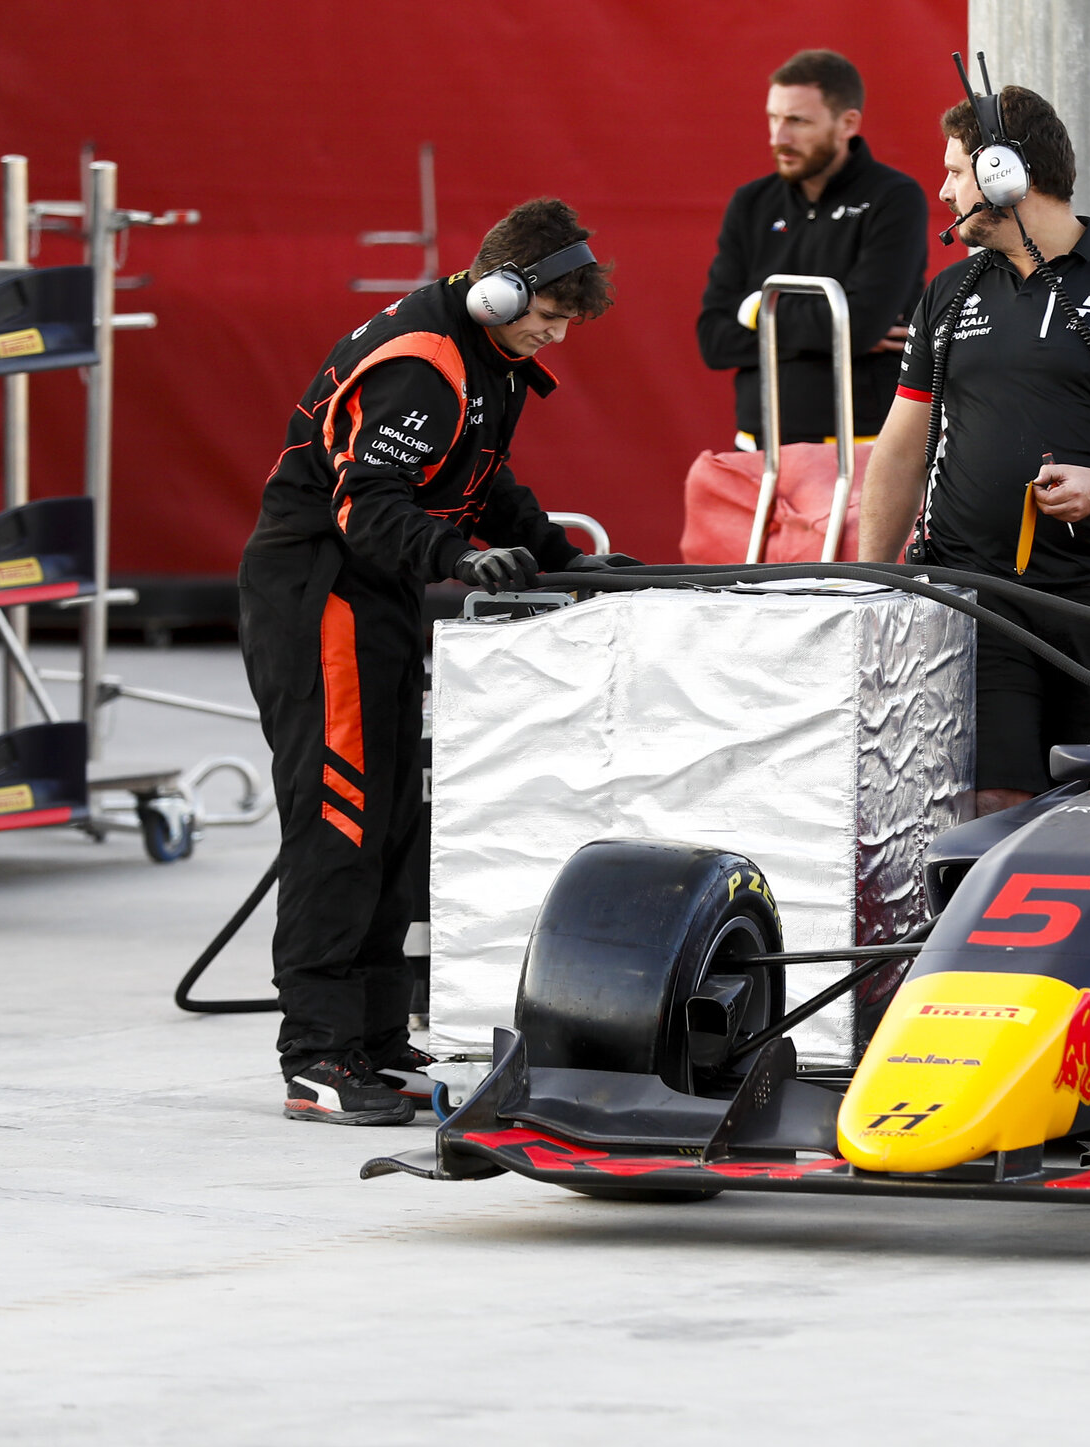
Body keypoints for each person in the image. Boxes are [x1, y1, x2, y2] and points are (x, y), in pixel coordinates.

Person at [238, 199, 621, 1125]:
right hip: (321, 593)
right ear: (498, 290)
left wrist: (567, 559)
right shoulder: (422, 366)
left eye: (569, 320)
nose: (556, 333)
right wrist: (455, 558)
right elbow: (367, 508)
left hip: (380, 596)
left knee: (395, 820)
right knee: (341, 816)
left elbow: (482, 479)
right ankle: (318, 1053)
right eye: (548, 315)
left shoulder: (493, 355)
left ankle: (374, 1038)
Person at [855, 85, 1090, 814]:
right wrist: (872, 582)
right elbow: (900, 449)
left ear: (1005, 177)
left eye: (957, 170)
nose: (943, 188)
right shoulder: (948, 292)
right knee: (994, 797)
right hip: (977, 596)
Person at [696, 49, 930, 447]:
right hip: (757, 447)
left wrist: (755, 309)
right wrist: (834, 332)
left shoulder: (894, 198)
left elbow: (858, 326)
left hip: (860, 447)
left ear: (848, 123)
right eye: (773, 118)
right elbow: (714, 341)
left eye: (797, 121)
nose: (778, 137)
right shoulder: (751, 202)